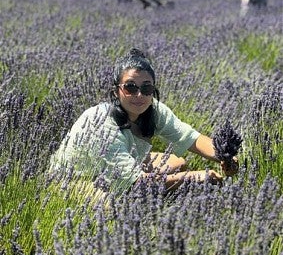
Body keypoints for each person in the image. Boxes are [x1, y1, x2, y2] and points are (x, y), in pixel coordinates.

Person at [49, 48, 239, 196]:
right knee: (112, 207)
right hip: (78, 179)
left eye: (146, 88)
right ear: (116, 91)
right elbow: (136, 184)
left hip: (124, 166)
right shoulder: (101, 124)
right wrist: (192, 178)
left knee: (177, 164)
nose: (139, 95)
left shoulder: (153, 109)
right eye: (130, 87)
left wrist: (224, 155)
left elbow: (190, 138)